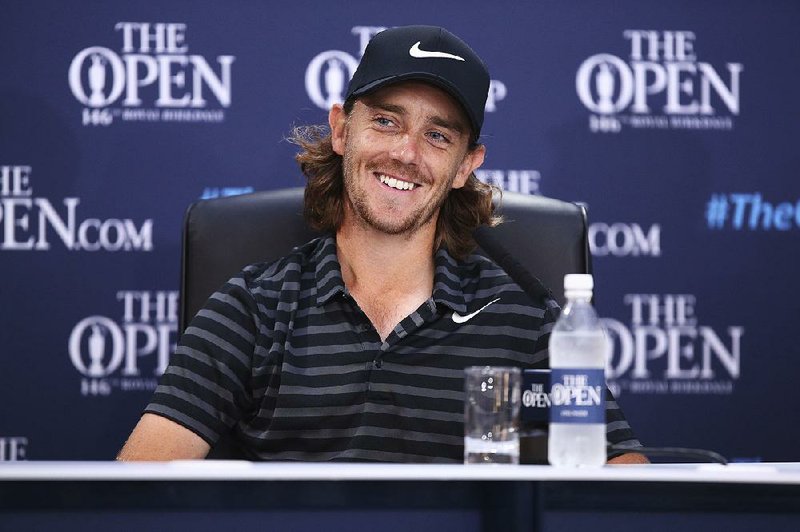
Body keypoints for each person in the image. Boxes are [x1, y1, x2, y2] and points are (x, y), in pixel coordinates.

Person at [118, 25, 646, 463]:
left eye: (438, 136)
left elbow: (628, 483)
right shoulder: (255, 307)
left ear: (466, 165)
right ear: (343, 130)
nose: (406, 153)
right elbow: (139, 487)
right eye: (387, 121)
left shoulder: (525, 321)